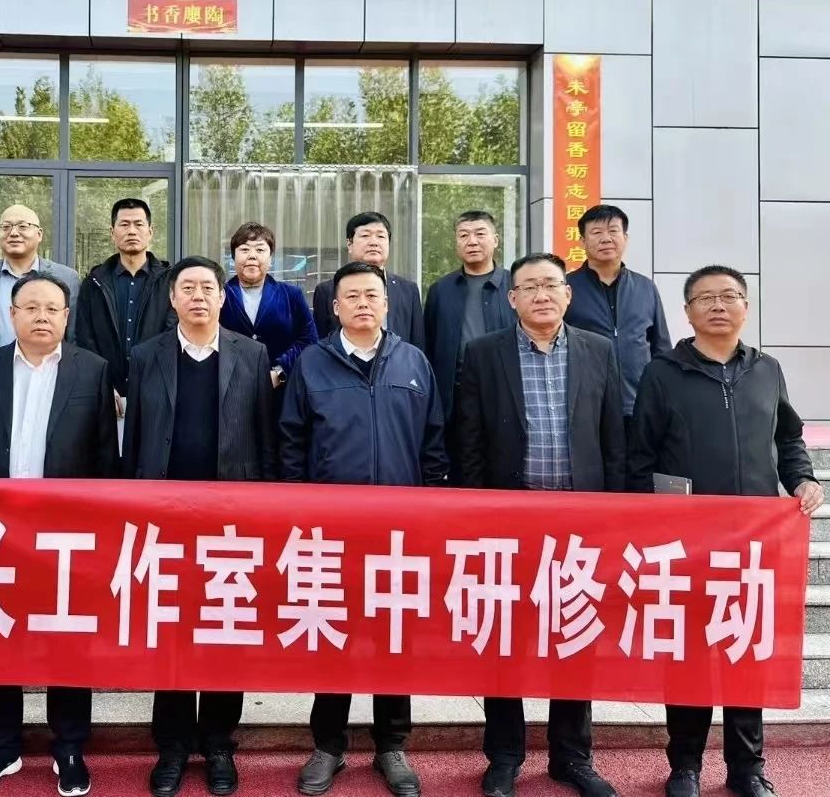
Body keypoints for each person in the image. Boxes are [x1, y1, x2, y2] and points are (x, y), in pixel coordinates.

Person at [629, 265, 824, 797]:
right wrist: (651, 525)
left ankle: (747, 768)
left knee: (747, 653)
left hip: (754, 544)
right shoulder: (663, 373)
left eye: (729, 296)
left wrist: (802, 479)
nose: (718, 305)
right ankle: (685, 766)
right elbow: (640, 455)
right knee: (687, 656)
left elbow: (788, 439)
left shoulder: (767, 369)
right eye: (705, 298)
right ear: (687, 312)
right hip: (685, 544)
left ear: (745, 307)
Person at [456, 252, 625, 797]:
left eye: (551, 284)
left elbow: (613, 438)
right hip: (509, 522)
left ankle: (571, 756)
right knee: (505, 637)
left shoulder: (599, 350)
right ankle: (504, 756)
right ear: (512, 298)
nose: (541, 295)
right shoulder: (484, 354)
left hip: (581, 523)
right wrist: (478, 513)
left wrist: (615, 513)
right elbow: (469, 441)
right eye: (529, 287)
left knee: (575, 636)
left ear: (568, 294)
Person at [281, 261, 446, 797]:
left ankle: (391, 745)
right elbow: (292, 442)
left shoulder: (414, 362)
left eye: (371, 294)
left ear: (387, 303)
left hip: (400, 532)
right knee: (334, 635)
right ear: (334, 307)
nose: (362, 303)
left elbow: (434, 444)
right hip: (332, 531)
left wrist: (431, 516)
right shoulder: (312, 363)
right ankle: (328, 745)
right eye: (351, 296)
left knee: (392, 638)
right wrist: (301, 516)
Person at [0, 272, 118, 797]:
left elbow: (105, 460)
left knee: (68, 641)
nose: (41, 316)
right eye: (31, 307)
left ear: (66, 317)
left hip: (67, 535)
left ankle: (69, 746)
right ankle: (0, 747)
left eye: (52, 308)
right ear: (12, 315)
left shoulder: (92, 370)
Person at [123, 255, 277, 797]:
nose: (197, 296)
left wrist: (265, 509)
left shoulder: (251, 354)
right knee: (169, 634)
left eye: (207, 288)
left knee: (223, 632)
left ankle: (217, 744)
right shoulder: (146, 356)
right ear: (172, 298)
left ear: (222, 296)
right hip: (163, 520)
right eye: (186, 288)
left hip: (230, 522)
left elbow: (264, 436)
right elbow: (135, 439)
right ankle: (170, 746)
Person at [422, 211, 515, 482]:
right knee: (460, 468)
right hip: (454, 397)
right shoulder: (440, 290)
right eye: (463, 235)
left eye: (480, 234)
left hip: (504, 393)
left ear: (495, 239)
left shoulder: (515, 285)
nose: (471, 241)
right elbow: (429, 343)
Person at [0, 203, 81, 399]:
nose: (13, 233)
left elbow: (73, 337)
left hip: (48, 380)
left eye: (23, 226)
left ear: (39, 234)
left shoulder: (67, 277)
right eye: (6, 227)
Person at [564, 204, 671, 434]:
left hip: (640, 405)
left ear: (625, 238)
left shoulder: (645, 287)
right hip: (587, 406)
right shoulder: (566, 288)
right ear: (582, 241)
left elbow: (661, 347)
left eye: (613, 231)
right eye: (596, 232)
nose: (606, 238)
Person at [74, 198, 174, 424]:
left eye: (138, 224)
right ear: (112, 232)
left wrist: (153, 385)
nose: (132, 231)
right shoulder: (94, 282)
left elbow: (173, 335)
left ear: (150, 231)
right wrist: (102, 385)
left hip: (157, 394)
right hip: (107, 397)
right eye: (124, 224)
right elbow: (85, 340)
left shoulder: (169, 281)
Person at [219, 222, 317, 409]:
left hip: (283, 393)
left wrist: (279, 372)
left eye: (260, 249)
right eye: (244, 249)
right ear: (233, 257)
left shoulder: (291, 295)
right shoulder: (220, 296)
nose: (252, 256)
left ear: (270, 257)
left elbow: (309, 340)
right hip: (229, 392)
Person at [312, 212, 424, 349]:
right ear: (350, 244)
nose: (374, 242)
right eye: (365, 236)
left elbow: (417, 343)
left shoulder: (408, 290)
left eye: (381, 236)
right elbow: (321, 343)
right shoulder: (327, 290)